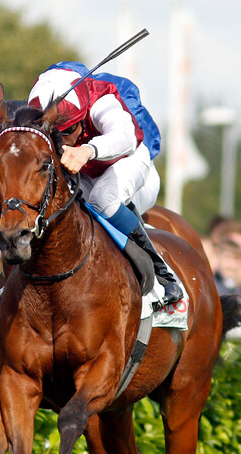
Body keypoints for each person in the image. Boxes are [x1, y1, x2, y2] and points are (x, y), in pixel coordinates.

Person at [27, 63, 180, 305]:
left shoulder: (100, 99)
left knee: (103, 199)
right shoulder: (37, 106)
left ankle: (163, 275)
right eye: (53, 134)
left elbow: (126, 137)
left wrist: (87, 150)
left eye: (68, 130)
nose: (64, 141)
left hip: (131, 162)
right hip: (87, 175)